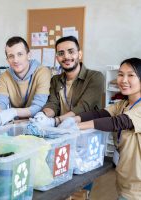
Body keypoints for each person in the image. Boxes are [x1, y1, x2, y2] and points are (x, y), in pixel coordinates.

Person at [59, 58, 141, 200]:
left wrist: (77, 127)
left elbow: (117, 122)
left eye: (131, 75)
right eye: (121, 74)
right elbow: (99, 114)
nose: (124, 80)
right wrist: (73, 119)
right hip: (125, 181)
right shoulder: (123, 104)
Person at [32, 36, 104, 127]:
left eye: (71, 52)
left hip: (85, 132)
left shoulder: (95, 77)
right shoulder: (55, 79)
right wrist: (43, 115)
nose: (66, 56)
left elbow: (84, 107)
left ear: (80, 54)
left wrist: (56, 121)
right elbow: (53, 104)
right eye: (61, 53)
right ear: (57, 58)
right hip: (60, 131)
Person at [0, 36, 51, 126]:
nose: (15, 60)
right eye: (11, 56)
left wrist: (14, 112)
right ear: (7, 60)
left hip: (39, 124)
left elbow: (39, 106)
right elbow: (0, 101)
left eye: (20, 54)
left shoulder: (43, 72)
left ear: (29, 55)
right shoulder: (4, 76)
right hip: (16, 125)